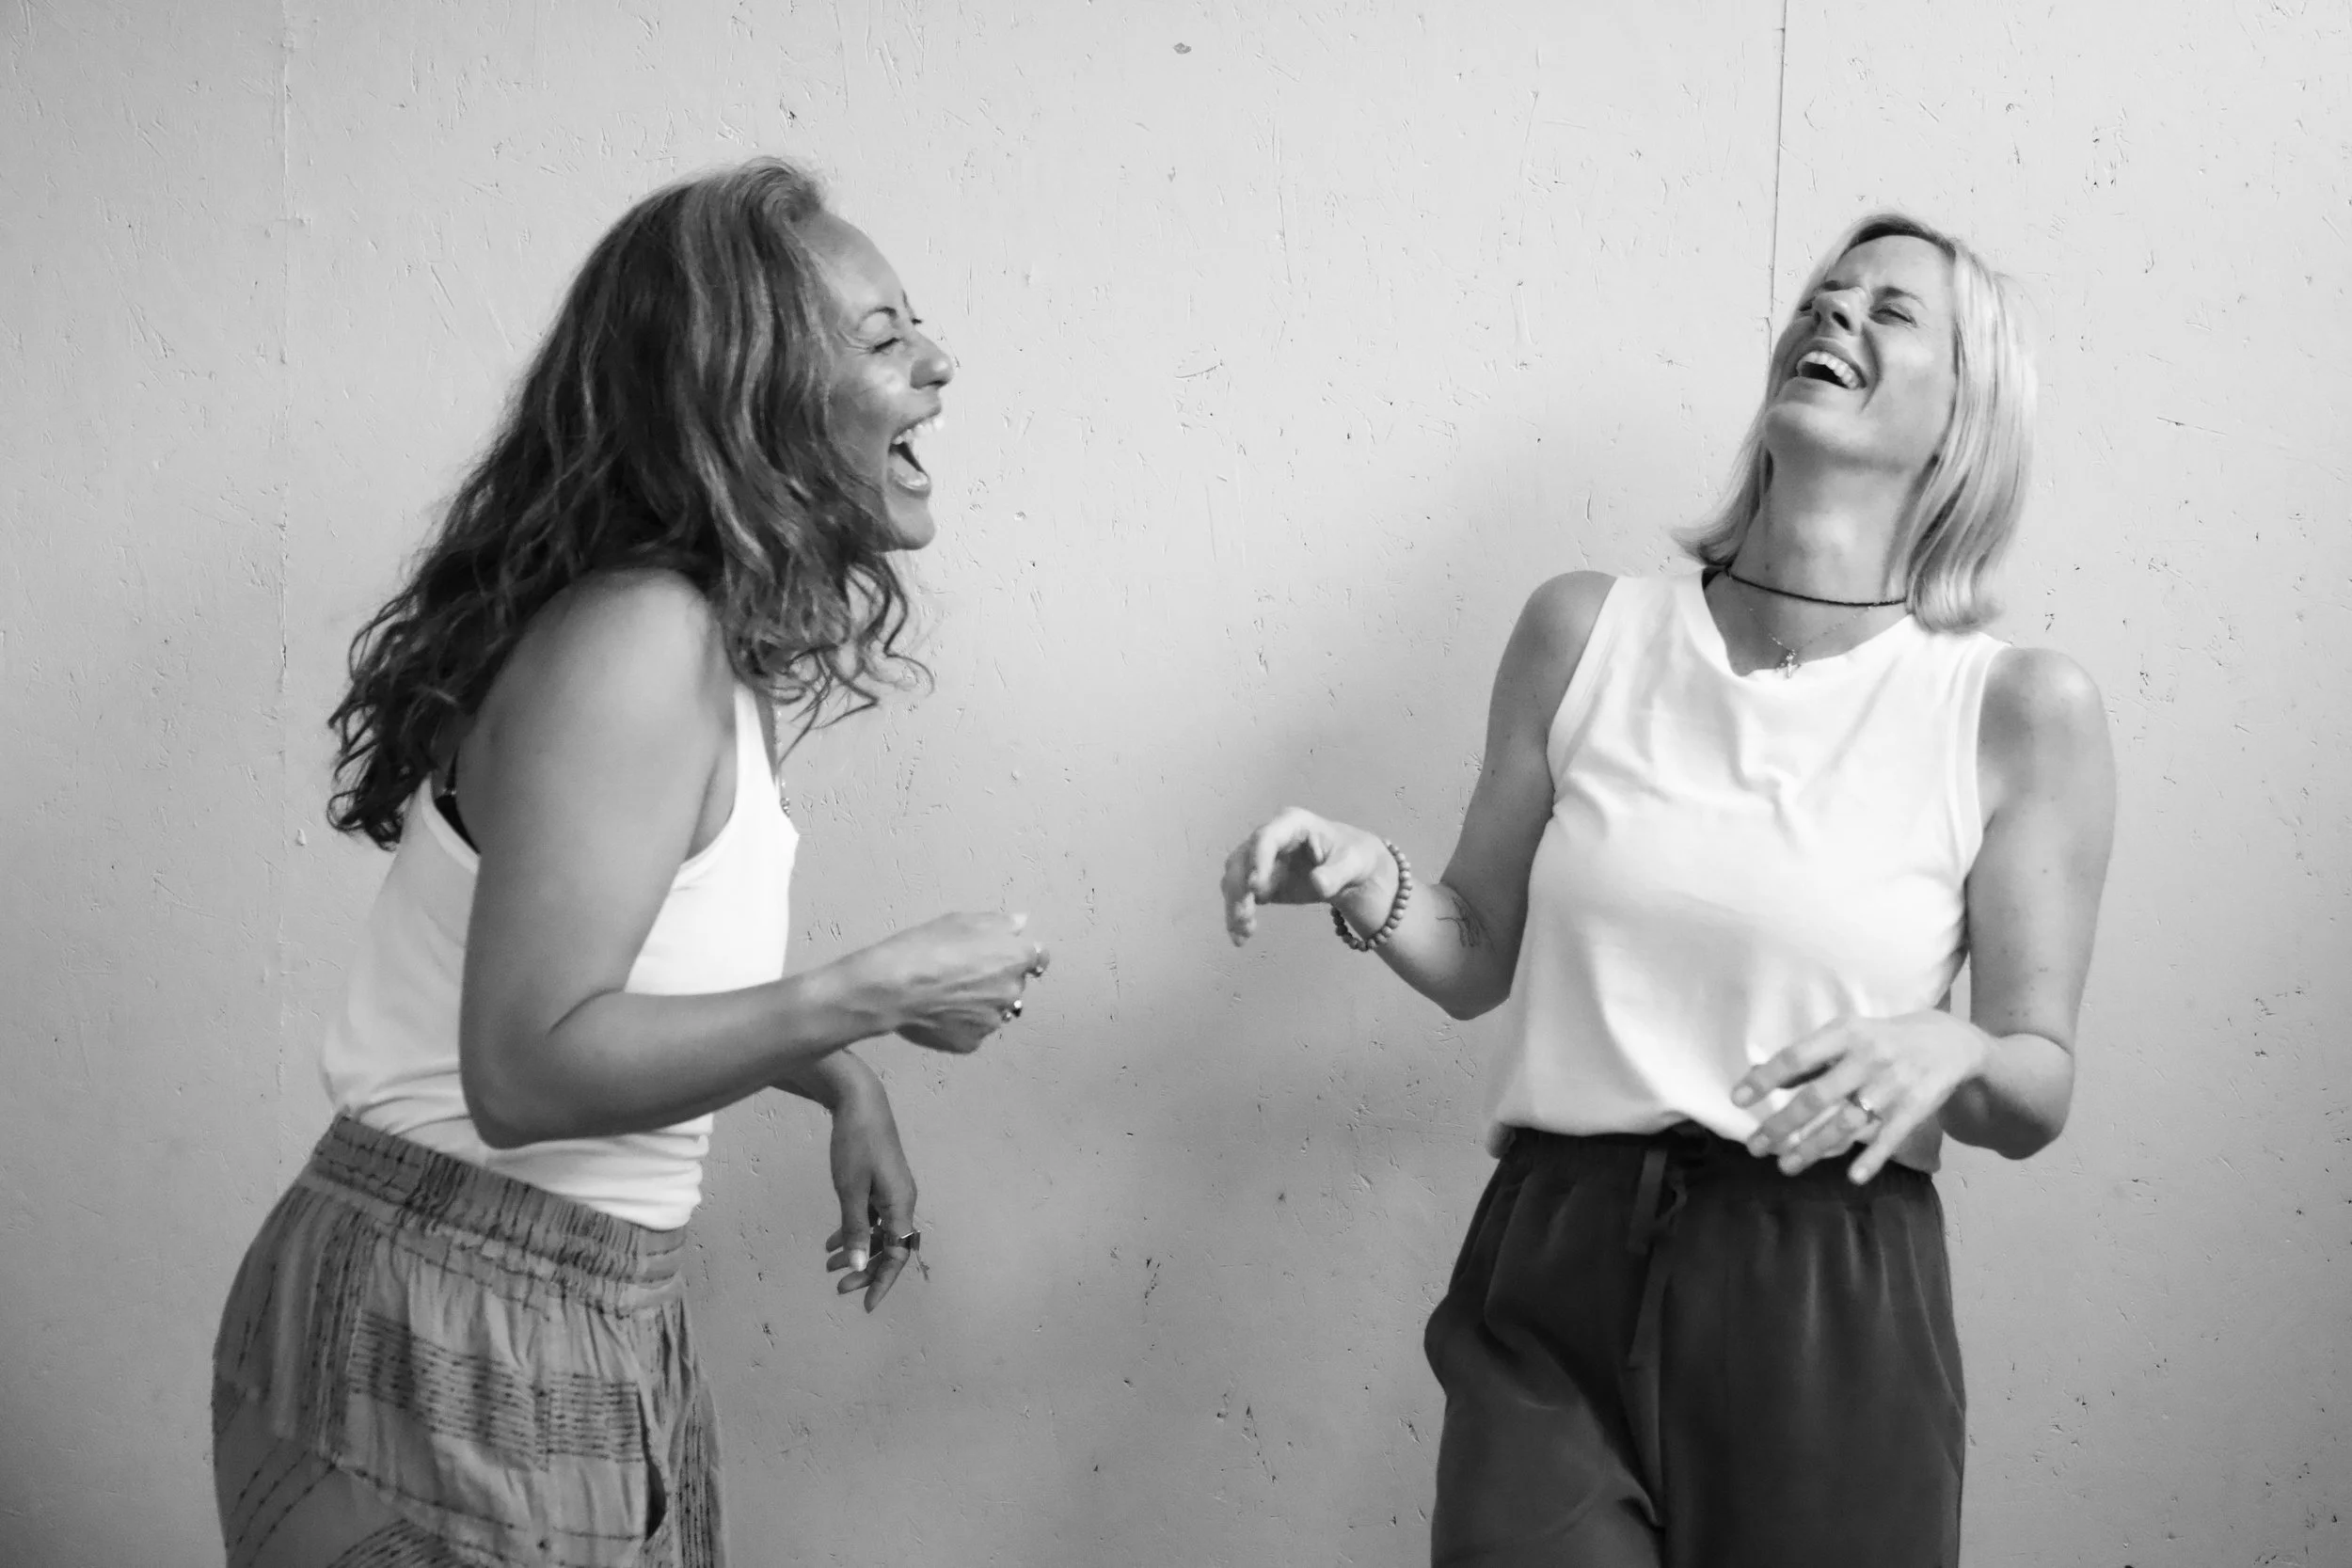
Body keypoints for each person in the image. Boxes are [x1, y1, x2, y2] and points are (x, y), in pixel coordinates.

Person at [1221, 214, 2115, 1566]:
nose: (1834, 318)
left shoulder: (2014, 709)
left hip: (1831, 1283)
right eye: (1823, 296)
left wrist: (1959, 1045)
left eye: (1890, 312)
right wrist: (1368, 875)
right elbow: (1474, 951)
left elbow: (2036, 1085)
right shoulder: (1586, 630)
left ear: (1963, 416)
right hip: (1556, 1255)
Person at [211, 158, 1050, 1567]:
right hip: (444, 1307)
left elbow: (635, 967)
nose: (940, 362)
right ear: (745, 389)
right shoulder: (637, 639)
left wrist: (841, 1074)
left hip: (568, 1298)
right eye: (885, 336)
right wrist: (868, 991)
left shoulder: (704, 642)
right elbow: (527, 1067)